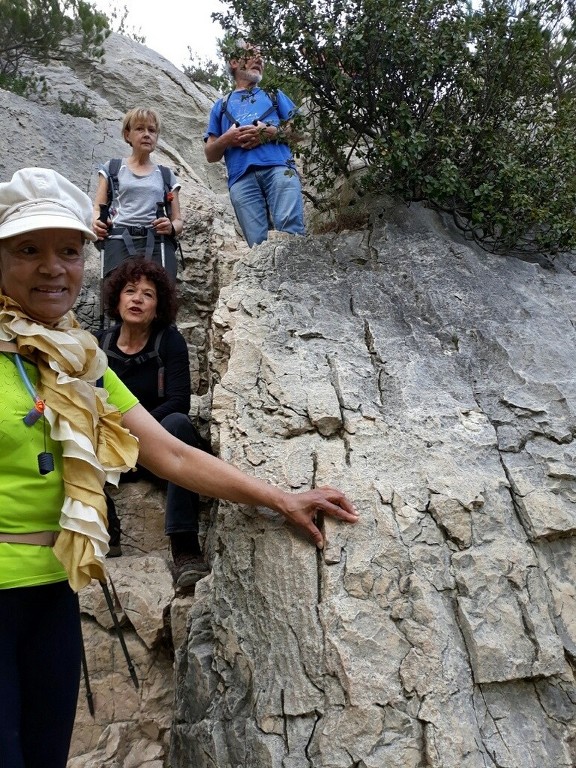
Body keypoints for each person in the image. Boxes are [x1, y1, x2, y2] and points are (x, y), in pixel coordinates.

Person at [0, 167, 358, 768]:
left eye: (68, 250)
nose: (52, 267)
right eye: (28, 250)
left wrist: (279, 498)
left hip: (52, 592)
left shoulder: (76, 360)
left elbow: (169, 452)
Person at [97, 257, 210, 587]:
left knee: (178, 423)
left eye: (147, 294)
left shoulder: (169, 342)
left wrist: (134, 429)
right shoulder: (98, 345)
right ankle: (106, 530)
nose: (137, 299)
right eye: (130, 291)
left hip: (157, 448)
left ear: (158, 306)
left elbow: (179, 402)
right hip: (113, 450)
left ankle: (186, 550)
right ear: (117, 299)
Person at [204, 40, 306, 247]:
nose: (259, 59)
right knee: (257, 247)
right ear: (234, 62)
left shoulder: (273, 93)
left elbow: (301, 131)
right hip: (241, 180)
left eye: (261, 56)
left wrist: (271, 133)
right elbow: (210, 154)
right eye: (251, 54)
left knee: (291, 234)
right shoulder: (221, 105)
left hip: (279, 168)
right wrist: (227, 139)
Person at [92, 107, 183, 281]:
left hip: (157, 241)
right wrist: (97, 223)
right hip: (119, 238)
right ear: (128, 135)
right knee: (118, 295)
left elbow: (178, 221)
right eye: (140, 129)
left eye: (152, 130)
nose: (147, 134)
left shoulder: (166, 175)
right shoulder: (112, 168)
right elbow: (98, 208)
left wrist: (170, 227)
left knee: (159, 294)